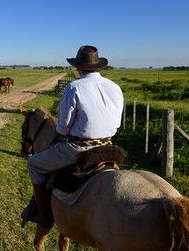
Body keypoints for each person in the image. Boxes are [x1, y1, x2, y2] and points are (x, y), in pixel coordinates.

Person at [23, 45, 124, 229]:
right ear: (98, 67)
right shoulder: (115, 87)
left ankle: (44, 215)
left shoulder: (74, 87)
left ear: (78, 67)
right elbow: (116, 123)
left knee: (34, 165)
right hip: (109, 147)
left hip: (79, 149)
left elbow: (62, 128)